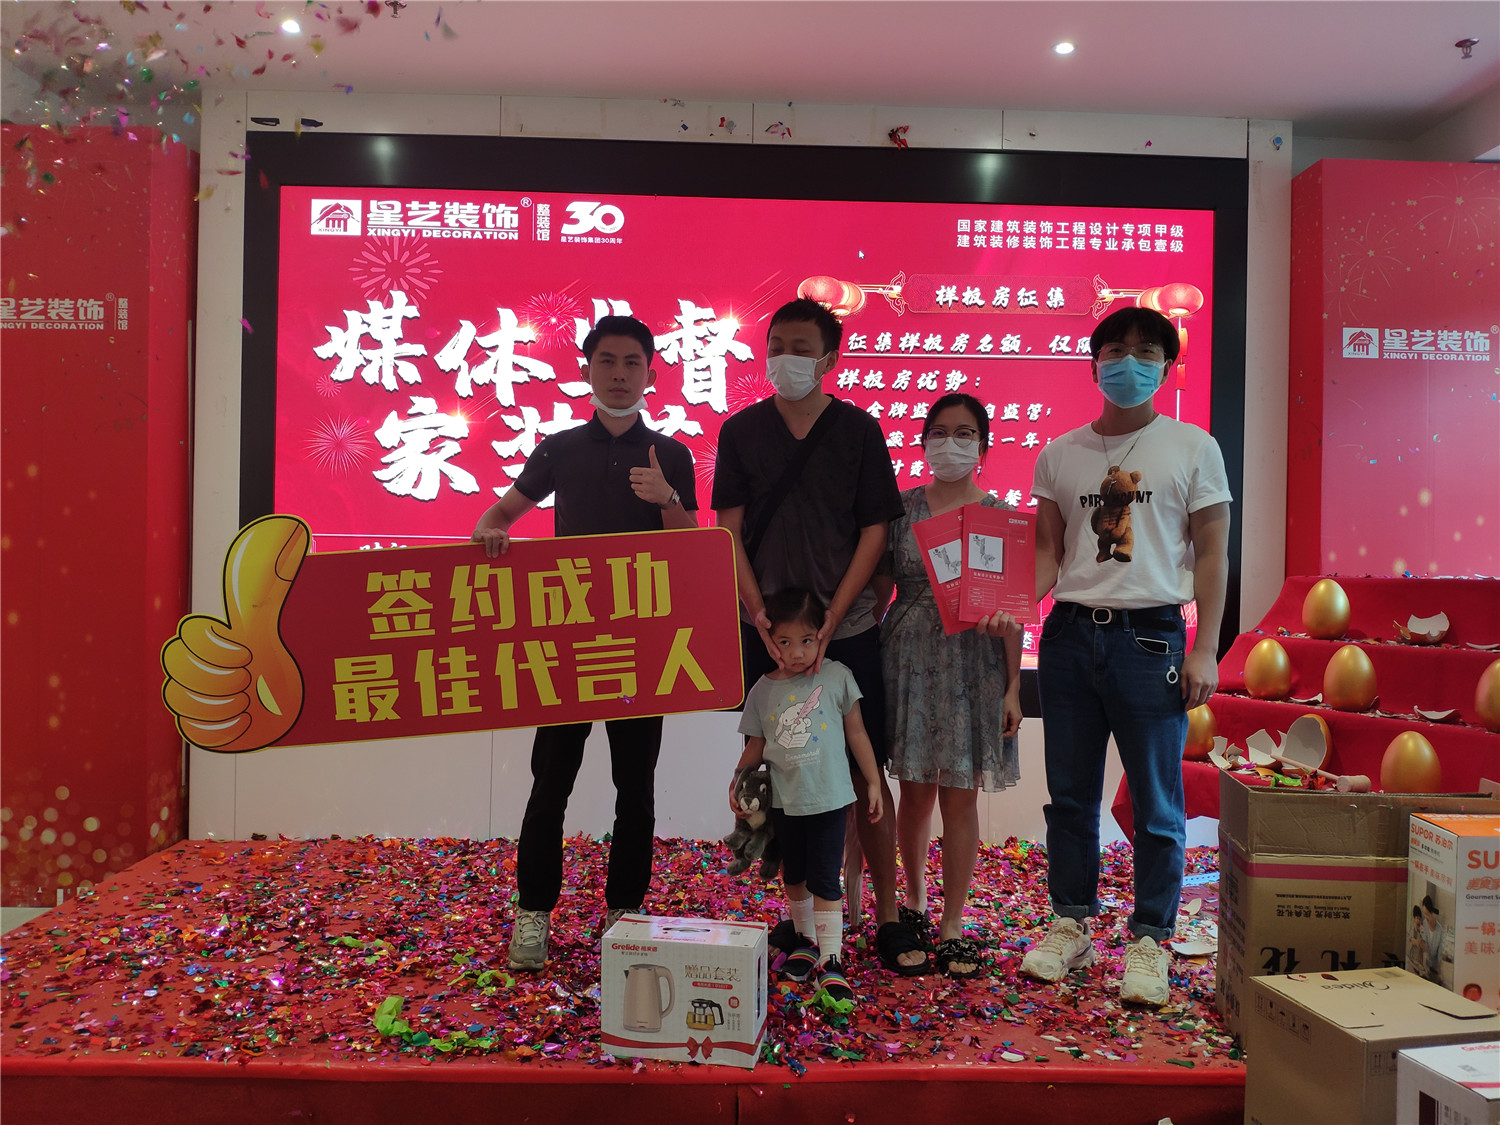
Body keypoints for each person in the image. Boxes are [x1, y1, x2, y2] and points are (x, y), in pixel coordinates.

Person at [980, 305, 1231, 1007]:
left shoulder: (1194, 447)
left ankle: (1150, 938)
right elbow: (1048, 551)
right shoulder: (1060, 453)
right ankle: (1071, 923)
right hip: (1067, 639)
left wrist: (1206, 647)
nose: (1129, 362)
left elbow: (1214, 554)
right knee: (1070, 797)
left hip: (1151, 639)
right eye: (1115, 350)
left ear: (1167, 366)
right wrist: (1013, 601)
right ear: (1094, 363)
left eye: (1146, 351)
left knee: (1157, 804)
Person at [472, 315, 699, 972]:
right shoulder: (560, 448)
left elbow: (693, 552)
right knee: (550, 784)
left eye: (632, 363)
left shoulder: (672, 455)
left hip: (641, 645)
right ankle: (534, 913)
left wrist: (667, 498)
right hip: (567, 645)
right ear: (586, 369)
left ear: (651, 374)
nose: (620, 374)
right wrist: (491, 533)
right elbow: (498, 515)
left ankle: (624, 913)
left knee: (636, 787)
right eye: (607, 361)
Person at [713, 297, 927, 975]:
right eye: (776, 345)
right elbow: (728, 529)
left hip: (849, 628)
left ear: (829, 358)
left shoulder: (859, 430)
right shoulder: (741, 431)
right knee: (784, 766)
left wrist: (835, 615)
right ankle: (802, 918)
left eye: (801, 348)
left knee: (863, 770)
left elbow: (875, 530)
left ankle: (887, 916)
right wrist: (757, 614)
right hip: (768, 632)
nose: (786, 358)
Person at [871, 393, 1023, 979]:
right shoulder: (901, 508)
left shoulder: (1000, 517)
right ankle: (913, 902)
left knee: (961, 797)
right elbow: (879, 590)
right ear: (923, 441)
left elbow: (1013, 613)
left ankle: (953, 923)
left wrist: (1013, 687)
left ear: (983, 446)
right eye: (939, 431)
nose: (950, 443)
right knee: (914, 794)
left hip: (973, 667)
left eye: (964, 433)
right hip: (906, 660)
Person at [731, 588, 884, 1013]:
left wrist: (873, 782)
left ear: (822, 635)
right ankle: (806, 941)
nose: (797, 652)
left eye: (806, 640)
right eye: (785, 641)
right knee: (794, 874)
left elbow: (857, 732)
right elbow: (755, 746)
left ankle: (832, 959)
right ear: (771, 641)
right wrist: (736, 784)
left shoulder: (836, 677)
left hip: (830, 801)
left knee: (824, 878)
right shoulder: (762, 691)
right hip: (785, 804)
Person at [1420, 896, 1445, 984]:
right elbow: (1424, 947)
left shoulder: (1440, 930)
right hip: (1425, 967)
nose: (1425, 917)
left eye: (1427, 914)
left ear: (1432, 913)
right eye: (1424, 914)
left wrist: (1438, 972)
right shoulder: (1424, 924)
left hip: (1434, 969)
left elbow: (1440, 954)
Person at [1406, 905, 1427, 976]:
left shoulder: (1422, 929)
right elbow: (1412, 940)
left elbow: (1424, 943)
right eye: (1417, 918)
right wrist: (1418, 942)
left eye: (1419, 918)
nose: (1418, 920)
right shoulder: (1412, 928)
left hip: (1419, 959)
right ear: (1414, 918)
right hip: (1412, 958)